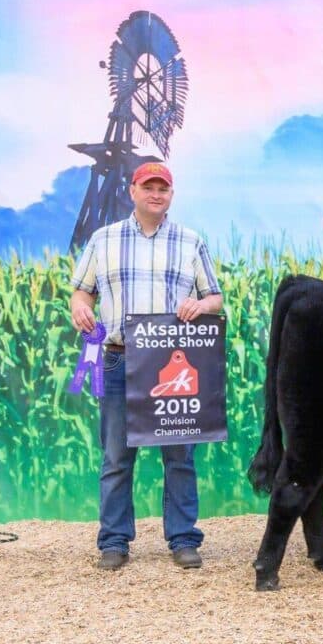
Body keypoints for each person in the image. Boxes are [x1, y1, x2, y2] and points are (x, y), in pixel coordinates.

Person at [69, 162, 223, 570]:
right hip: (119, 358)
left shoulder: (191, 241)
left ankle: (184, 538)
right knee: (117, 456)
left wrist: (199, 305)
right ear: (132, 191)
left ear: (171, 194)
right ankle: (114, 542)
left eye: (164, 188)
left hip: (172, 363)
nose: (156, 193)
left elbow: (215, 298)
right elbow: (81, 293)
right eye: (148, 186)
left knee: (179, 456)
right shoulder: (103, 240)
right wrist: (81, 312)